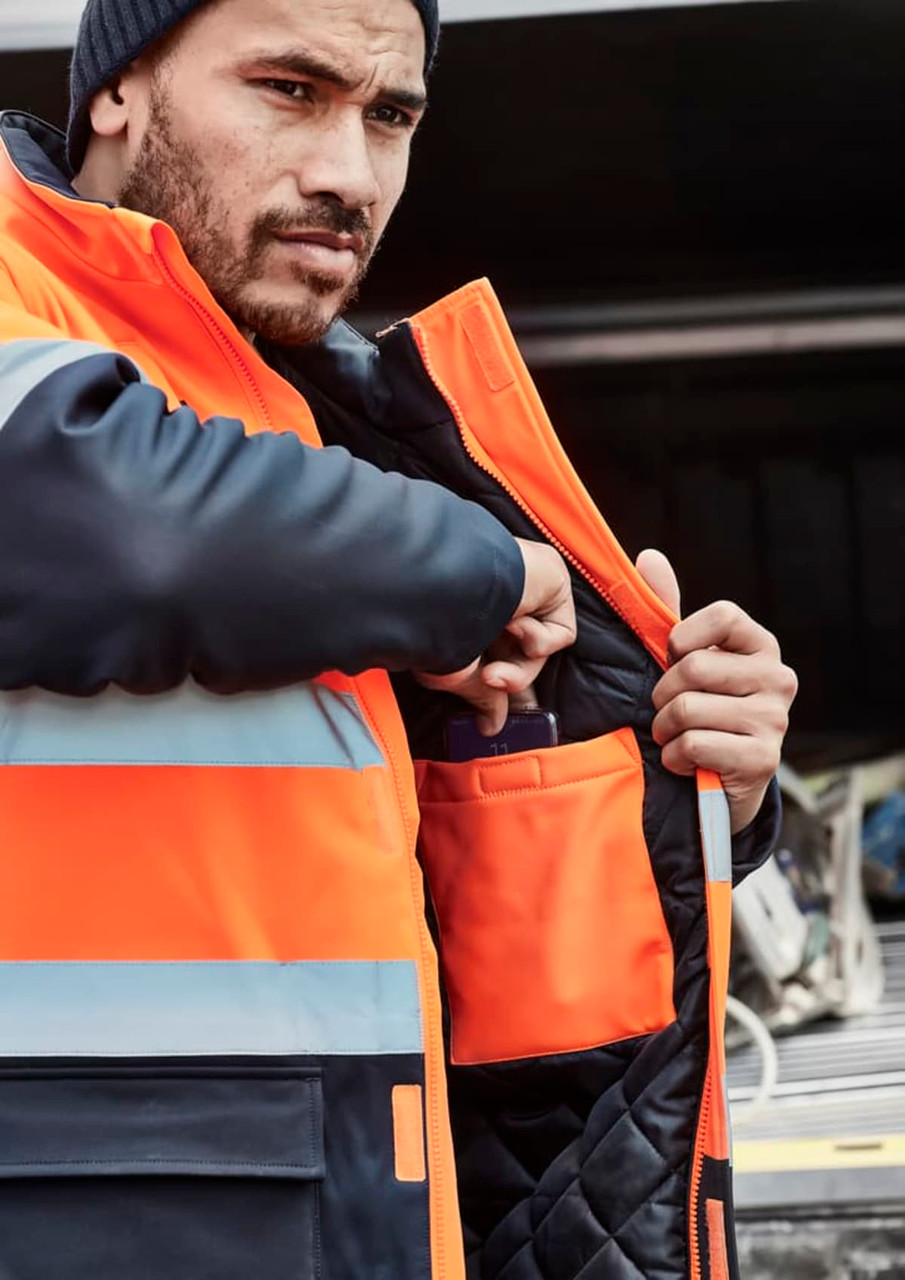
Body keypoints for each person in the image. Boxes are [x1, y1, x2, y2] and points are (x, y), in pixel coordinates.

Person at [0, 2, 797, 1278]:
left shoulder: (327, 426)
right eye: (289, 88)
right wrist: (488, 572)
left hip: (357, 1216)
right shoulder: (31, 293)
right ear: (117, 89)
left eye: (389, 115)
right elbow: (100, 517)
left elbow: (512, 966)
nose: (349, 173)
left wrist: (691, 774)